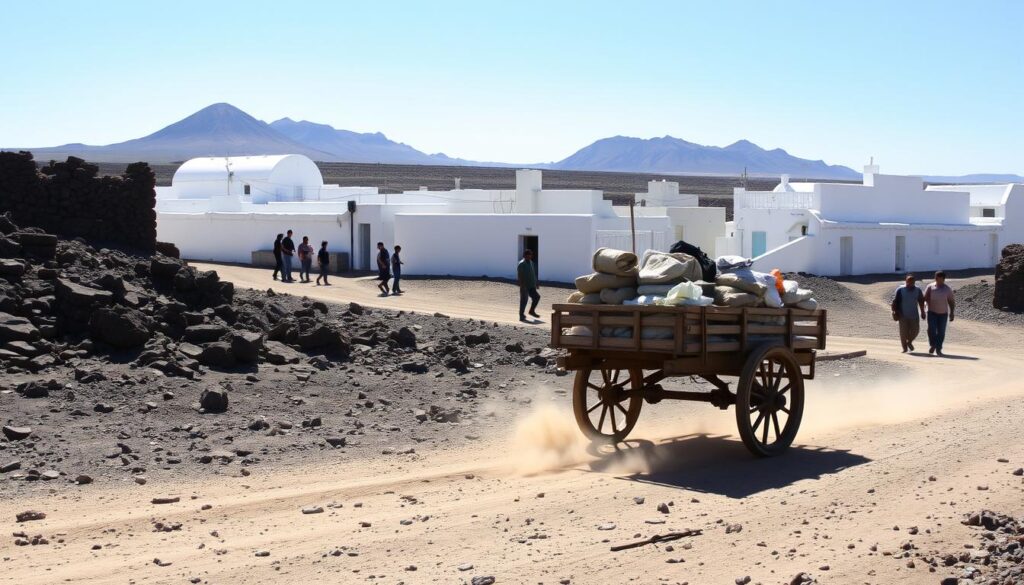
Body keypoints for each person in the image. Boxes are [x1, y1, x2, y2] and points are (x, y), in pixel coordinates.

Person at [890, 273, 926, 353]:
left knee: (916, 331)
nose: (910, 284)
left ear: (914, 282)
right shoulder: (900, 290)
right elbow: (895, 301)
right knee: (903, 333)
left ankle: (909, 341)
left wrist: (923, 312)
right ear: (906, 281)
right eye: (908, 282)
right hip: (902, 315)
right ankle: (904, 348)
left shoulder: (918, 290)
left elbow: (921, 301)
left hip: (914, 315)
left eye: (912, 282)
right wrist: (894, 310)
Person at [924, 270, 956, 356]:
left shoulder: (947, 289)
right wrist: (925, 307)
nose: (938, 280)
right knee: (931, 330)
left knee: (941, 332)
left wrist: (952, 312)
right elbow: (925, 298)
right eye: (936, 278)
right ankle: (933, 344)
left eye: (940, 278)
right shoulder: (930, 287)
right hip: (931, 312)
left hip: (943, 314)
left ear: (944, 279)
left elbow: (951, 301)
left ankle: (939, 348)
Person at [517, 249, 541, 322]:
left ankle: (531, 311)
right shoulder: (521, 264)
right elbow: (520, 276)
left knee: (537, 297)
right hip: (525, 286)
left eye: (530, 256)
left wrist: (536, 283)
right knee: (524, 301)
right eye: (527, 256)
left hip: (531, 285)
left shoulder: (531, 263)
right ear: (524, 256)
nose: (529, 257)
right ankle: (521, 316)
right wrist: (522, 286)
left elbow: (533, 274)